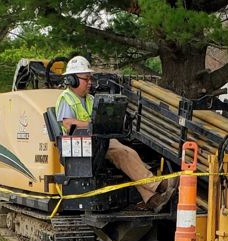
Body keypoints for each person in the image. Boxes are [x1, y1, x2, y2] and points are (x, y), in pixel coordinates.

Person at [55, 56, 174, 212]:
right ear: (72, 80)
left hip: (96, 142)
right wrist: (93, 125)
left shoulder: (91, 99)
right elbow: (68, 123)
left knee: (131, 156)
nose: (90, 82)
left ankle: (150, 199)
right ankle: (157, 185)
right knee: (123, 153)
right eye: (86, 79)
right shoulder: (66, 99)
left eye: (90, 78)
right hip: (80, 147)